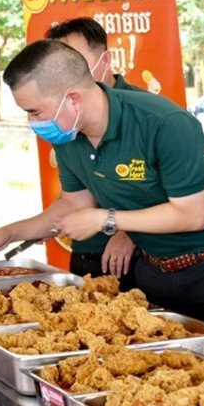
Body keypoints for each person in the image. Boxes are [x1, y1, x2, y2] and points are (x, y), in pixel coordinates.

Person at [0, 39, 204, 353]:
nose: (33, 122)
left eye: (35, 111)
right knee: (160, 366)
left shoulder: (163, 123)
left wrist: (105, 219)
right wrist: (6, 234)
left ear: (74, 99)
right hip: (154, 267)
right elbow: (73, 203)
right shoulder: (69, 137)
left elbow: (192, 214)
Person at [45, 17, 140, 290]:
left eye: (76, 63)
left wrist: (131, 234)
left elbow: (178, 201)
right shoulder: (64, 121)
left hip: (131, 256)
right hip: (85, 251)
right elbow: (75, 199)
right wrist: (38, 226)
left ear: (106, 60)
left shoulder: (146, 115)